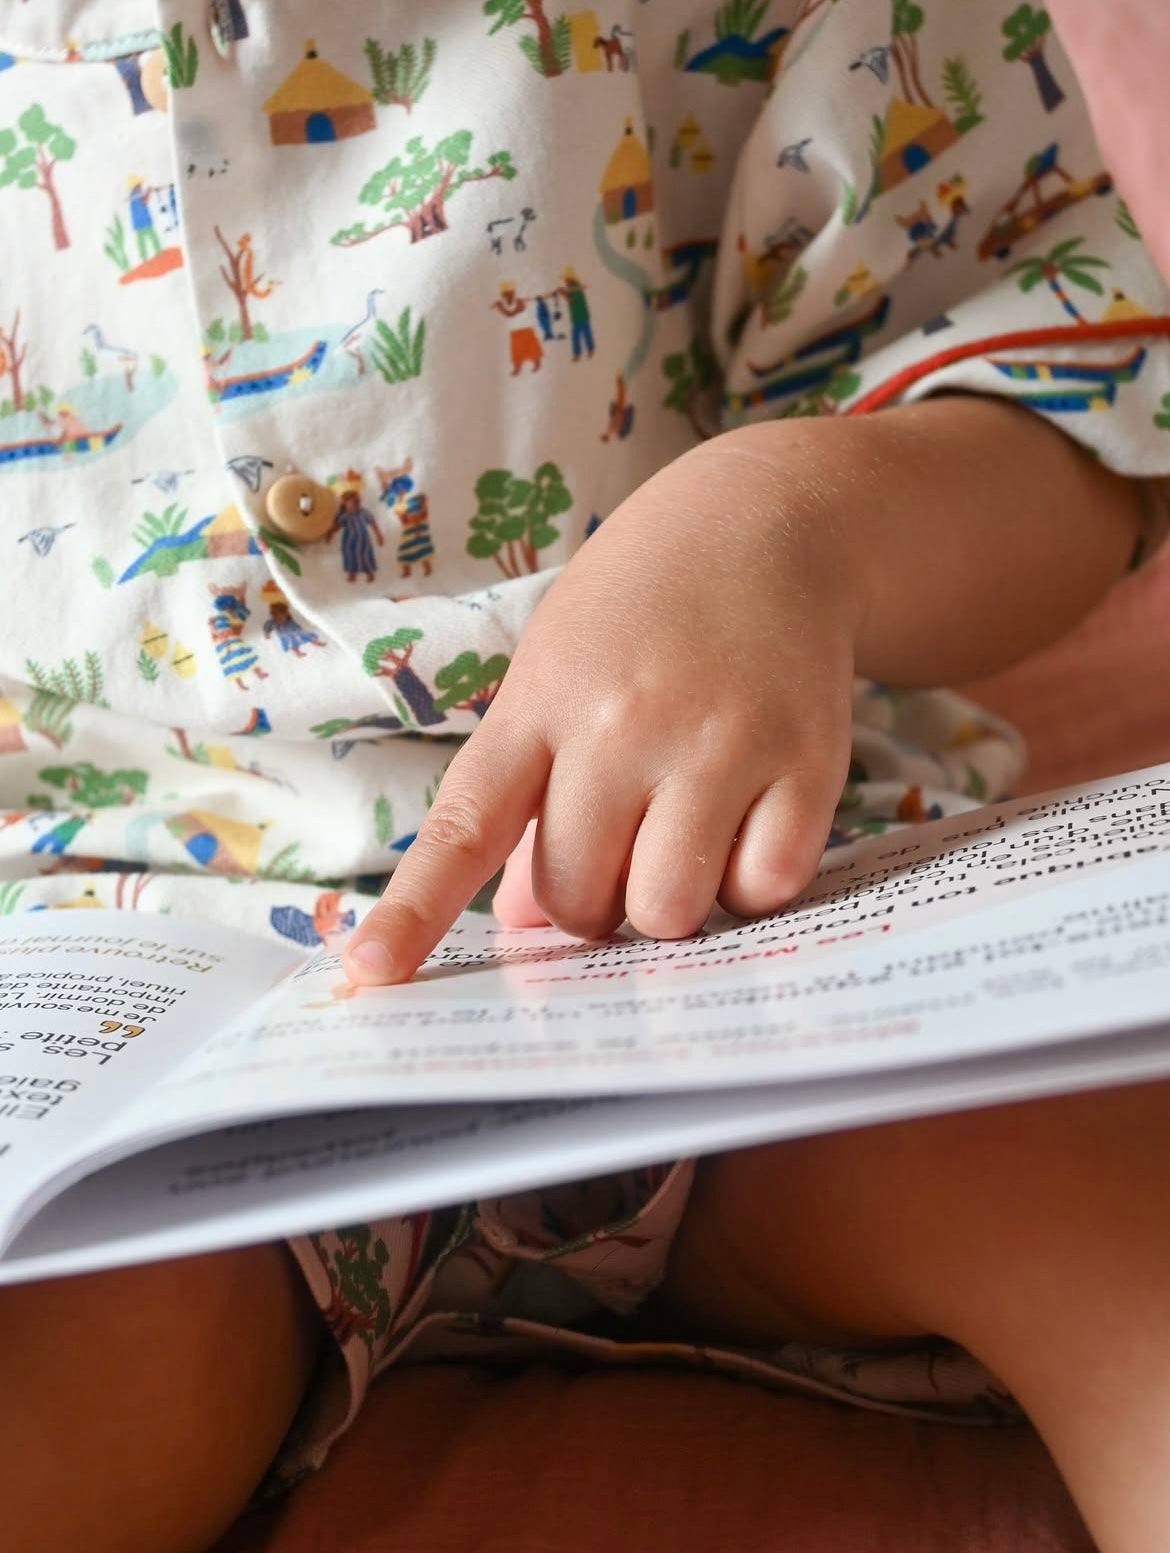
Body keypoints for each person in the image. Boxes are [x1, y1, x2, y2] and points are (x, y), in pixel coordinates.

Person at [1, 5, 1169, 1552]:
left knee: (1107, 1200)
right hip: (132, 1003)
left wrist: (793, 525)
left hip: (766, 897)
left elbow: (1063, 395)